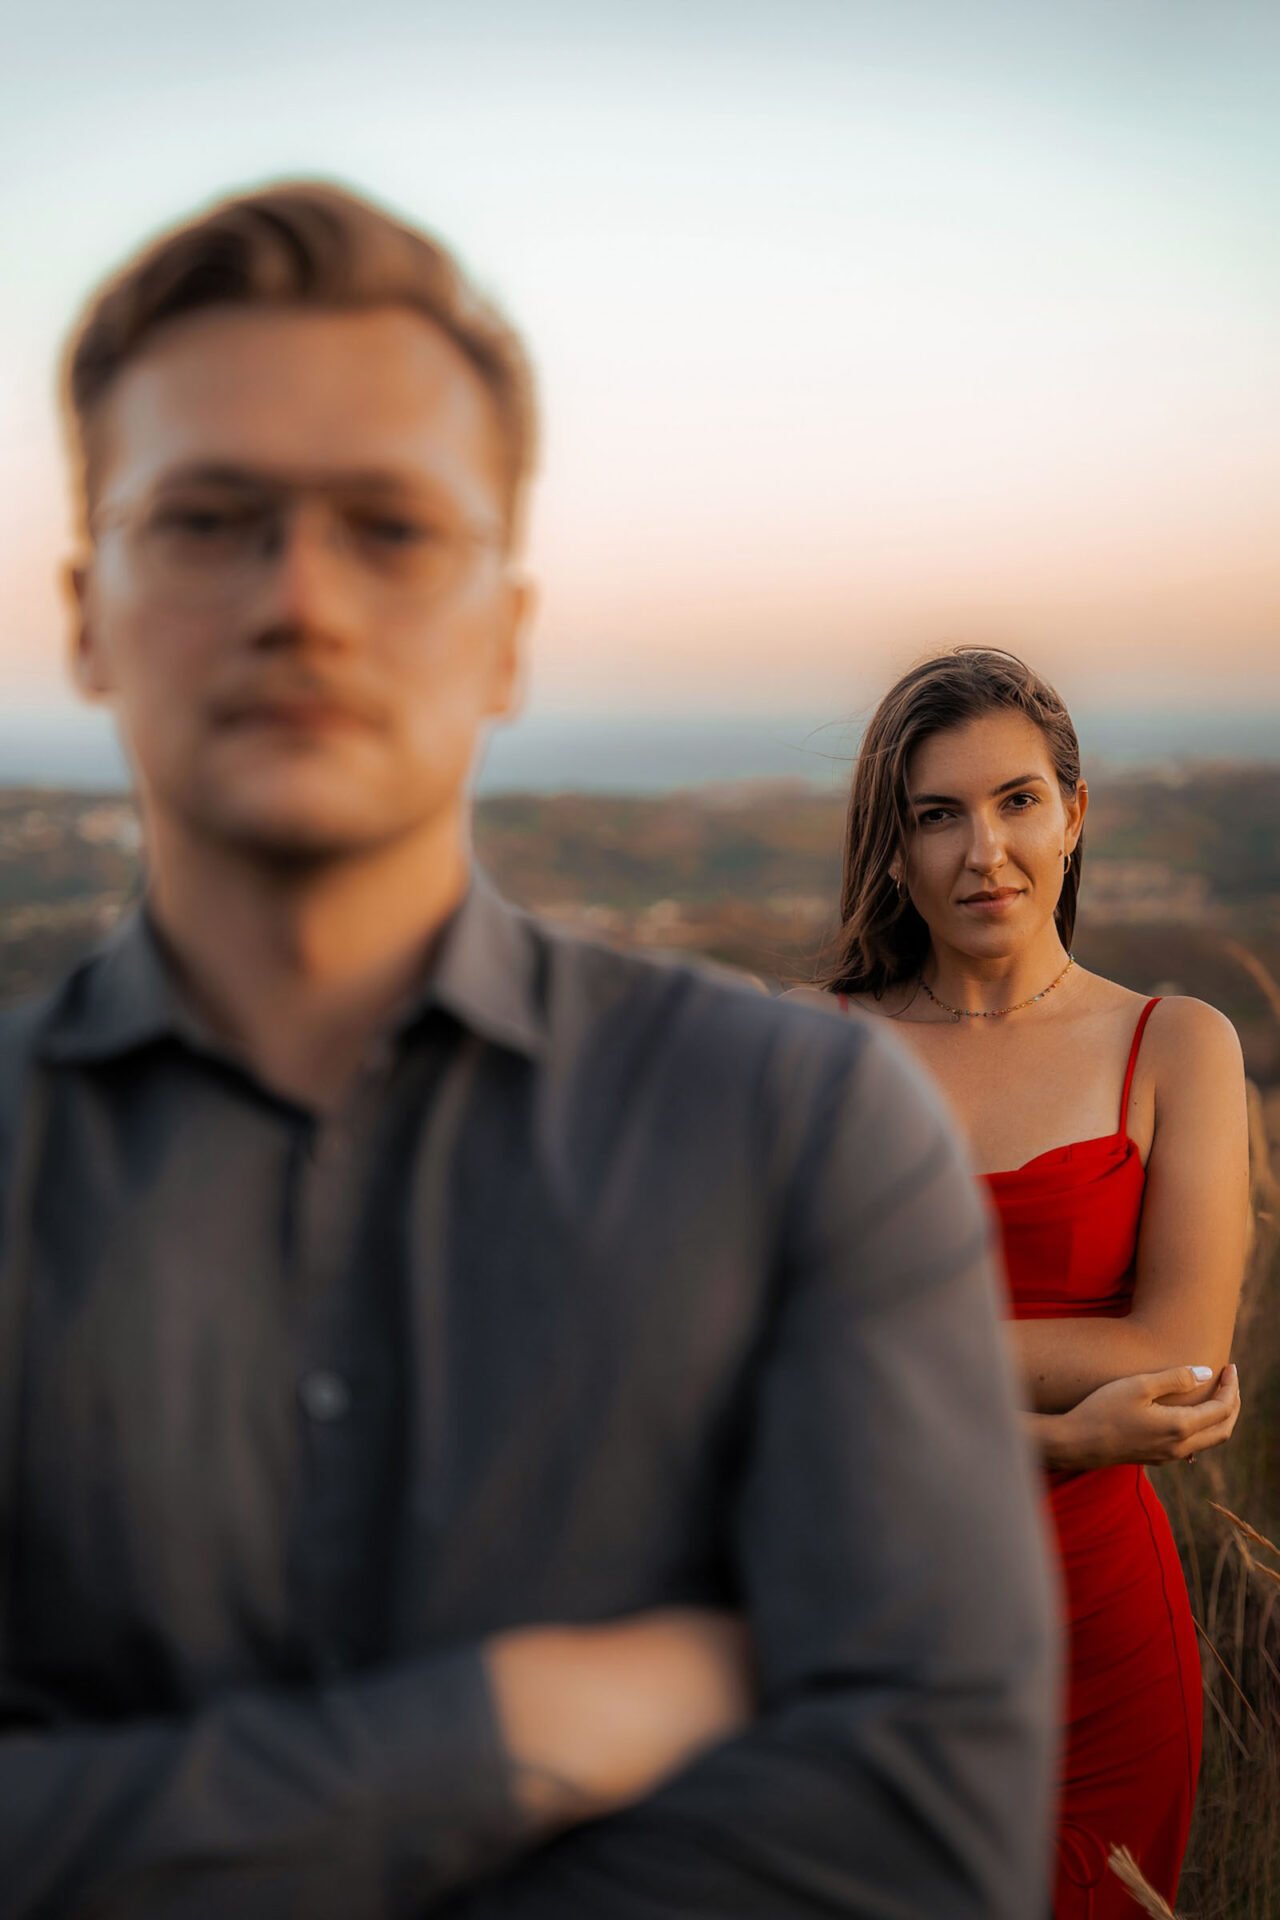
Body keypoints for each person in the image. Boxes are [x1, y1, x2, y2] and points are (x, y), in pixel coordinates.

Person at [0, 186, 1056, 1917]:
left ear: (507, 628)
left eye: (392, 528)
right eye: (208, 519)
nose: (304, 600)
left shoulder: (798, 1129)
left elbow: (920, 1854)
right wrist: (495, 1734)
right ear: (85, 612)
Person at [800, 646, 1248, 1918]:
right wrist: (1056, 1429)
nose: (979, 851)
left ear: (1073, 815)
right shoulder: (807, 1051)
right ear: (889, 850)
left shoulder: (1175, 1045)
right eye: (933, 815)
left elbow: (1178, 1340)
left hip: (1093, 1642)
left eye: (1013, 802)